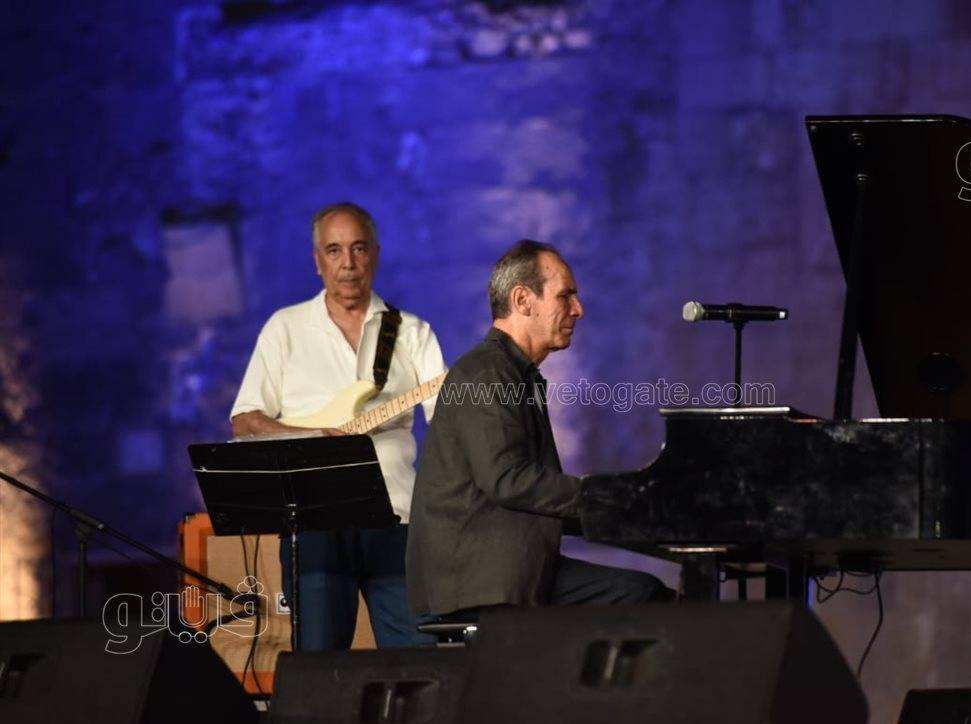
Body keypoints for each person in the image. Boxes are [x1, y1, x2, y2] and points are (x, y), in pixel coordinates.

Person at [407, 239, 669, 618]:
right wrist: (609, 499)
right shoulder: (486, 372)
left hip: (504, 568)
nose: (578, 309)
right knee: (643, 594)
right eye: (565, 296)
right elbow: (508, 480)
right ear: (523, 301)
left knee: (642, 590)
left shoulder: (511, 373)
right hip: (480, 580)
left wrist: (623, 512)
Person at [230, 202, 445, 649]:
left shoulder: (412, 332)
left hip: (398, 519)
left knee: (420, 658)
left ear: (375, 255)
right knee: (319, 664)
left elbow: (449, 419)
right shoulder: (285, 328)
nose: (348, 263)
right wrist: (316, 438)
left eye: (359, 248)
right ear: (317, 261)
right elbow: (245, 420)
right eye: (334, 250)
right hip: (314, 524)